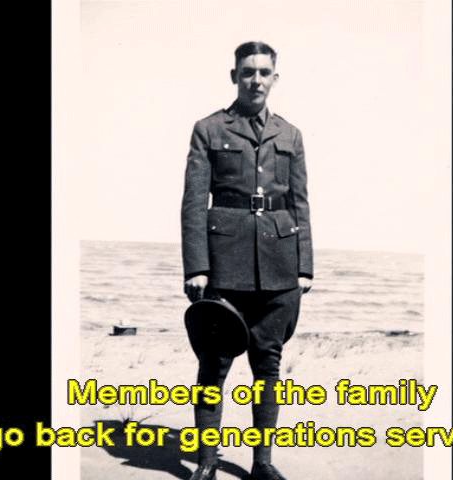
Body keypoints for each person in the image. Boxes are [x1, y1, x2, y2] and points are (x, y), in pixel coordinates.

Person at [180, 41, 313, 480]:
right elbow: (194, 203)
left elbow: (300, 203)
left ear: (275, 78)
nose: (256, 80)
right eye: (248, 72)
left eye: (264, 72)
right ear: (234, 76)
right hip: (225, 262)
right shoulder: (208, 129)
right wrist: (197, 266)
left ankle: (262, 463)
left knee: (268, 366)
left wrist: (304, 267)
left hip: (279, 265)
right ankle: (206, 462)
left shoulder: (290, 135)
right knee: (213, 364)